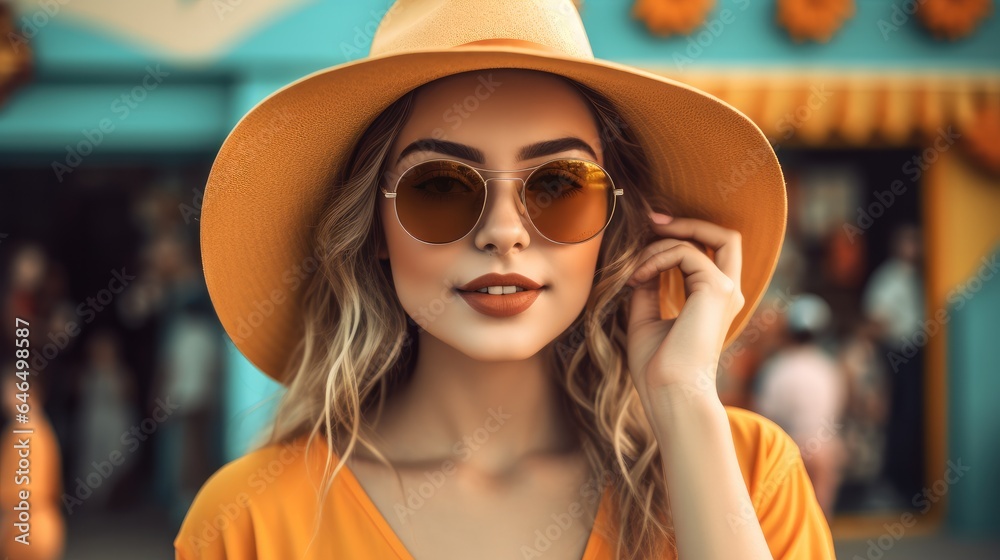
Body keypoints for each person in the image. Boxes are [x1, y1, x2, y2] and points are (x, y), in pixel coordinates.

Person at [174, 1, 835, 559]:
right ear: (373, 227)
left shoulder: (747, 474)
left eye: (558, 184)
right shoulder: (249, 521)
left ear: (617, 223)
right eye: (438, 185)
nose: (504, 231)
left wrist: (685, 401)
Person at [751, 294, 847, 519]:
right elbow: (837, 409)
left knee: (791, 514)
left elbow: (764, 414)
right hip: (824, 448)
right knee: (821, 514)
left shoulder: (776, 369)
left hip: (789, 446)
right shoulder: (828, 367)